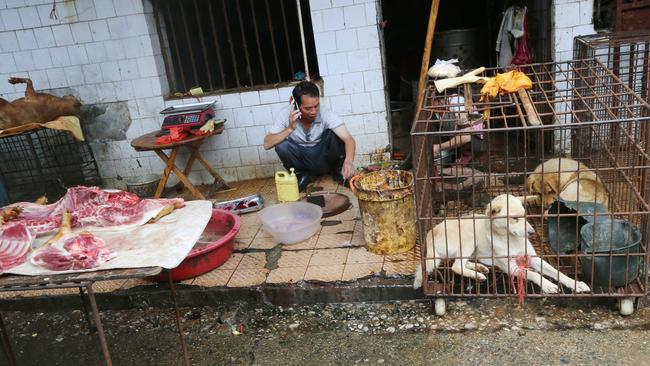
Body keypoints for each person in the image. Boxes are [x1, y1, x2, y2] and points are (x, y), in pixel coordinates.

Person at [264, 81, 356, 191]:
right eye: (308, 108)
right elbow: (267, 144)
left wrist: (348, 161)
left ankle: (338, 171)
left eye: (316, 106)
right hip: (302, 161)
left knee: (334, 134)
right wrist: (289, 129)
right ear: (296, 105)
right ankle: (301, 176)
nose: (313, 111)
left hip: (323, 159)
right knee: (281, 144)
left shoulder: (325, 113)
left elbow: (349, 139)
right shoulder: (285, 114)